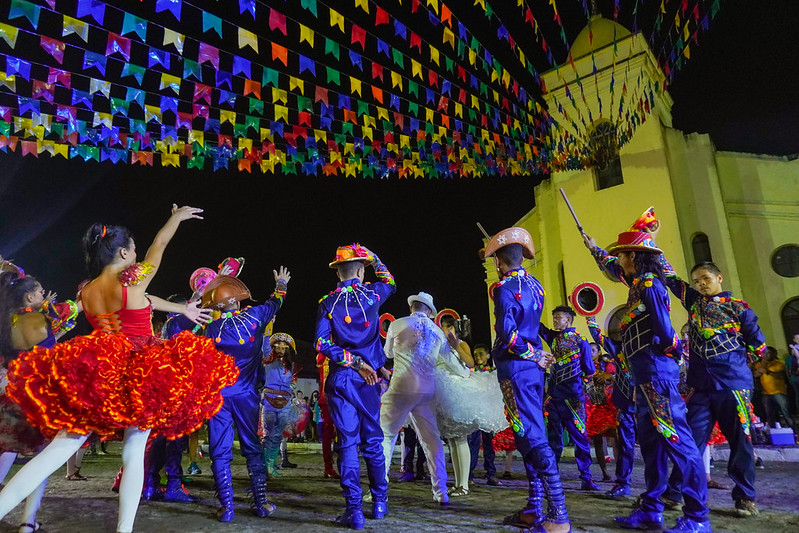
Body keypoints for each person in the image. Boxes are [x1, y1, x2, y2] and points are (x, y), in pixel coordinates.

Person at [0, 206, 239, 533]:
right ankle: (123, 530)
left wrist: (182, 307)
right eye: (135, 250)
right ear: (125, 252)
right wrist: (175, 218)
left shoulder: (87, 289)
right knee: (133, 451)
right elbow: (161, 244)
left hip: (97, 371)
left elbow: (144, 298)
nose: (139, 254)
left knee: (56, 451)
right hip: (139, 372)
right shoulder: (135, 278)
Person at [583, 227, 710, 533]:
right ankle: (651, 508)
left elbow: (666, 332)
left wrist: (668, 354)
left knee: (678, 442)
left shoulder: (651, 285)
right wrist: (594, 246)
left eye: (623, 254)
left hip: (657, 376)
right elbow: (611, 268)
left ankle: (697, 516)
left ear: (634, 257)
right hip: (643, 378)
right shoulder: (637, 284)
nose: (619, 260)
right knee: (651, 444)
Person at [663, 260, 766, 517]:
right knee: (689, 441)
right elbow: (670, 277)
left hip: (734, 386)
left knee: (741, 443)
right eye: (696, 280)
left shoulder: (739, 308)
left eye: (705, 278)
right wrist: (650, 241)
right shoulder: (693, 302)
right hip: (701, 388)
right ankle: (675, 493)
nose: (701, 284)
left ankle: (745, 498)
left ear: (719, 278)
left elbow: (759, 346)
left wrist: (737, 368)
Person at [483, 227, 570, 533]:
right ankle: (534, 507)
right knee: (525, 434)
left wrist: (531, 354)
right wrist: (536, 355)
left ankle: (558, 515)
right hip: (531, 371)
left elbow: (508, 336)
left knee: (531, 435)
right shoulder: (536, 285)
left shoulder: (504, 289)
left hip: (517, 369)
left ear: (498, 262)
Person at [315, 243, 395, 529]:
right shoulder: (372, 294)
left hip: (343, 378)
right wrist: (374, 257)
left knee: (347, 443)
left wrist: (351, 360)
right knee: (373, 441)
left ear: (338, 273)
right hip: (368, 380)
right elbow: (390, 281)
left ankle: (355, 510)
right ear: (361, 271)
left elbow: (322, 343)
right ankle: (380, 503)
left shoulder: (327, 302)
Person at [200, 267, 290, 522]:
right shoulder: (255, 316)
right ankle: (261, 504)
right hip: (247, 396)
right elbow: (277, 301)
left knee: (219, 451)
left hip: (219, 398)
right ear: (238, 298)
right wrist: (281, 283)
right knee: (252, 448)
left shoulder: (211, 329)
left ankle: (227, 508)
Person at [0, 265, 79, 533]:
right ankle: (28, 521)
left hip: (10, 392)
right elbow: (48, 351)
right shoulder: (40, 321)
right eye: (39, 291)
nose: (44, 293)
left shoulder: (8, 323)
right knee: (42, 458)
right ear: (28, 297)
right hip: (38, 397)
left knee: (7, 449)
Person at [380, 292, 463, 504]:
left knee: (386, 437)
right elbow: (452, 363)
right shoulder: (437, 331)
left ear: (412, 308)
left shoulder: (397, 324)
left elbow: (388, 354)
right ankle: (441, 492)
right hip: (426, 391)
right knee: (432, 441)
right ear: (429, 311)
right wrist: (467, 374)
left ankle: (378, 491)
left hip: (401, 388)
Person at [435, 315, 507, 497]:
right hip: (443, 392)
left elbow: (469, 363)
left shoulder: (462, 344)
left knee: (460, 438)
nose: (444, 330)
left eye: (447, 327)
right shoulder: (437, 345)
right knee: (452, 439)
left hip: (459, 394)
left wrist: (456, 345)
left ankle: (464, 484)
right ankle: (459, 483)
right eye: (442, 327)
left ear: (454, 328)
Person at [540, 305, 600, 491]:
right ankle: (551, 474)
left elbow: (589, 368)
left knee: (580, 438)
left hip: (573, 398)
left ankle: (586, 478)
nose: (556, 321)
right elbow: (539, 327)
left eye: (559, 318)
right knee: (554, 439)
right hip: (555, 398)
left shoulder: (580, 340)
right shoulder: (553, 338)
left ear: (568, 320)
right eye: (555, 318)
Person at [585, 315, 637, 498]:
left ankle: (667, 488)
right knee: (624, 443)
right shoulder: (617, 350)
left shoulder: (648, 348)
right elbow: (599, 338)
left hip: (648, 402)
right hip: (622, 404)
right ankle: (622, 481)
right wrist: (590, 315)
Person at [261, 332, 299, 478]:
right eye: (278, 347)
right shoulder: (268, 360)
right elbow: (265, 346)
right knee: (267, 435)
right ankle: (265, 466)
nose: (281, 350)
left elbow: (292, 383)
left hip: (285, 403)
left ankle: (270, 466)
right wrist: (268, 327)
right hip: (270, 401)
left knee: (277, 437)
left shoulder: (292, 366)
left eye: (284, 348)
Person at [468, 343, 502, 486]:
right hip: (475, 412)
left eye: (481, 353)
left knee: (489, 445)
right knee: (472, 444)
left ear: (488, 356)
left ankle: (491, 473)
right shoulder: (470, 372)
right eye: (475, 354)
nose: (478, 357)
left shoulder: (493, 372)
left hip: (488, 412)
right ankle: (469, 474)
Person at [753, 347, 793, 430]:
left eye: (768, 353)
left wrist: (767, 372)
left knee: (786, 413)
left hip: (778, 392)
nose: (766, 355)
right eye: (764, 353)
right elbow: (755, 375)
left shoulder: (777, 364)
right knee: (769, 414)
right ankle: (773, 432)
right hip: (766, 393)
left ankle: (794, 430)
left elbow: (780, 375)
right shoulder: (759, 364)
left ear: (773, 354)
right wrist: (763, 366)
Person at [316, 352, 339, 479]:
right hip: (327, 399)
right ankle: (328, 467)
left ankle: (344, 465)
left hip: (343, 398)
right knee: (327, 433)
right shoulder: (323, 355)